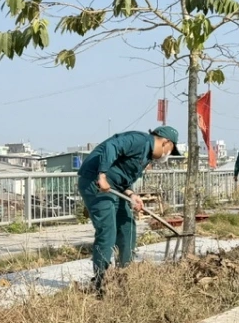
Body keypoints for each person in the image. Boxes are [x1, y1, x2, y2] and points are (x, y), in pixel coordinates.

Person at [77, 125, 180, 296]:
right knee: (108, 232)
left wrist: (132, 194)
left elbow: (123, 177)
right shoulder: (138, 140)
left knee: (127, 227)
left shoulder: (146, 157)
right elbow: (112, 146)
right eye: (170, 150)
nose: (168, 154)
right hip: (95, 183)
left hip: (115, 187)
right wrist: (101, 175)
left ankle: (124, 274)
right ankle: (101, 282)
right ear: (165, 142)